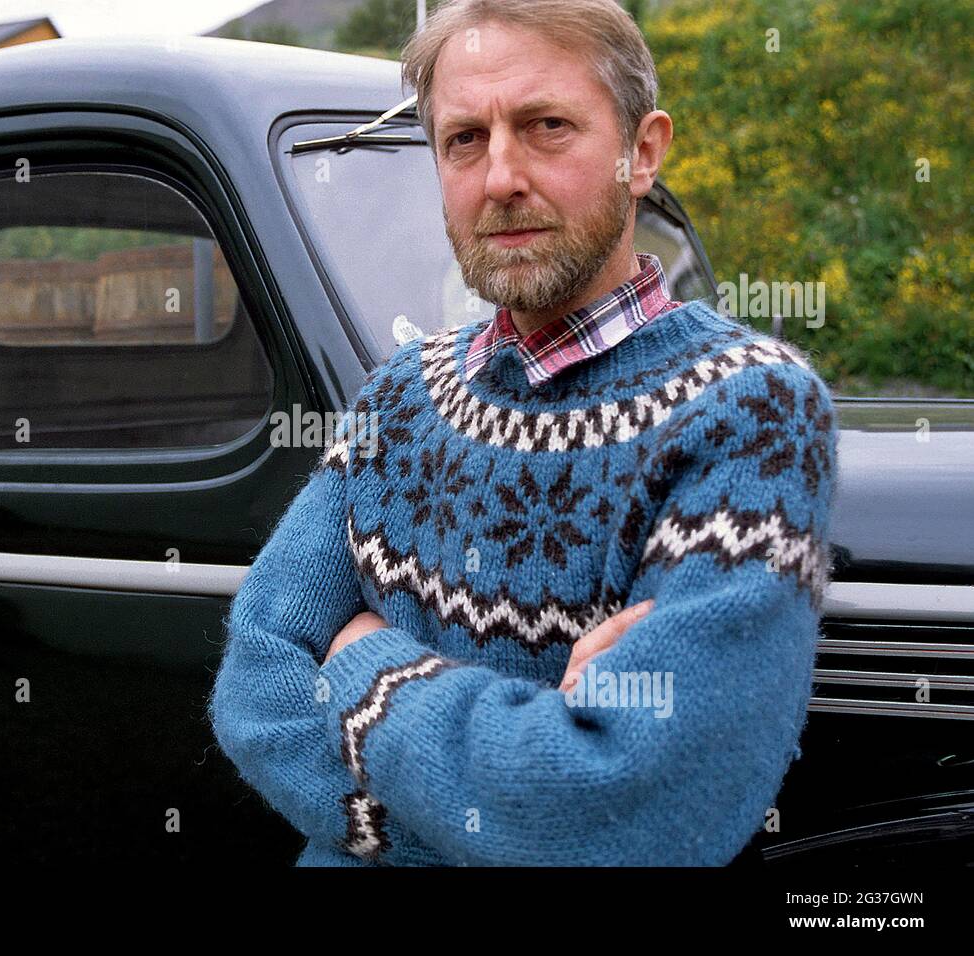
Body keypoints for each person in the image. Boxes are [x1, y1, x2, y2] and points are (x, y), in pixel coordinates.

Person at [208, 0, 839, 866]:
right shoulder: (399, 397)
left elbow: (623, 816)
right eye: (464, 138)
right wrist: (481, 813)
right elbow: (255, 684)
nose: (500, 176)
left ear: (642, 151)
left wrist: (362, 659)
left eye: (547, 127)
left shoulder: (752, 412)